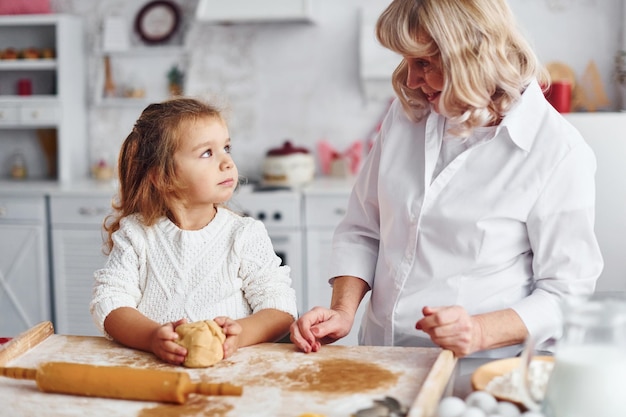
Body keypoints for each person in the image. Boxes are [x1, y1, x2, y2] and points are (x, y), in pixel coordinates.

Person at [290, 0, 603, 358]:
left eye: (423, 62)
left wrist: (479, 331)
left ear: (474, 53)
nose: (409, 80)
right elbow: (364, 229)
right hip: (379, 357)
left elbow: (567, 292)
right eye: (406, 61)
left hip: (479, 371)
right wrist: (343, 311)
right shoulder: (409, 112)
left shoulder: (556, 152)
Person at [90, 97, 298, 365]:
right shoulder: (136, 235)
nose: (227, 163)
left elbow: (280, 306)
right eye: (207, 153)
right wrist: (152, 337)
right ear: (163, 177)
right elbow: (109, 303)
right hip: (154, 375)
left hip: (234, 374)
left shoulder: (244, 234)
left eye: (226, 148)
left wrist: (241, 333)